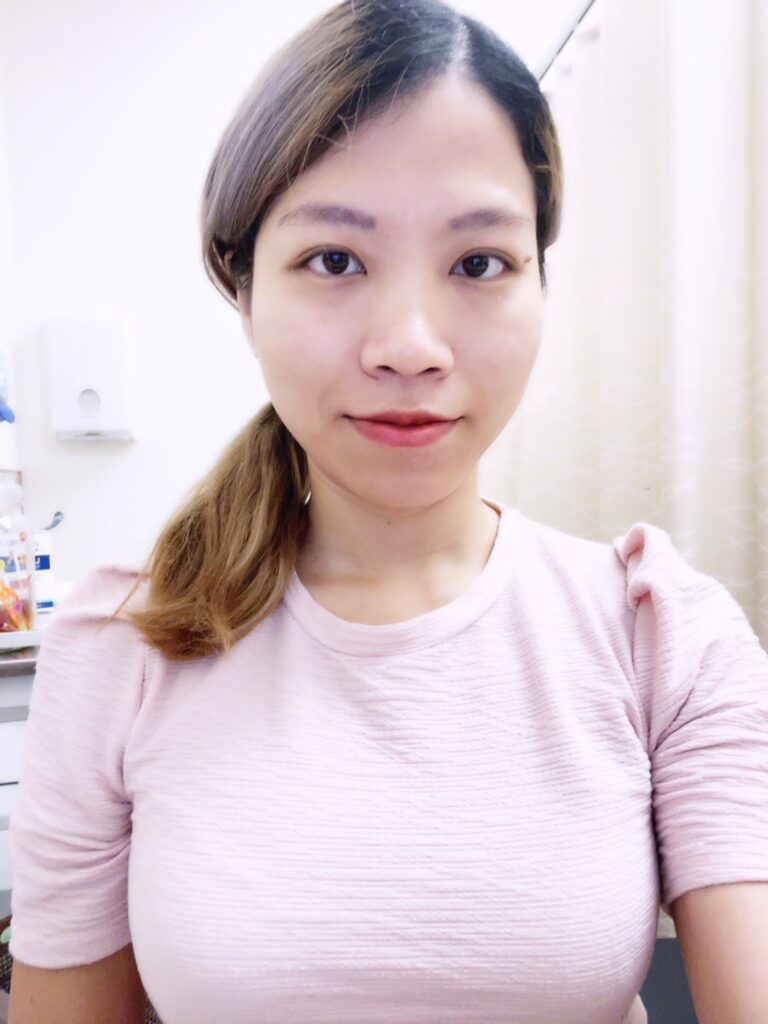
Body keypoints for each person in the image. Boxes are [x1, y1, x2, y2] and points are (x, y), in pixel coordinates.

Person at [7, 0, 768, 1021]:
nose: (410, 345)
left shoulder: (661, 636)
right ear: (243, 289)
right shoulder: (123, 646)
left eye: (478, 263)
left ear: (540, 282)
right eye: (334, 260)